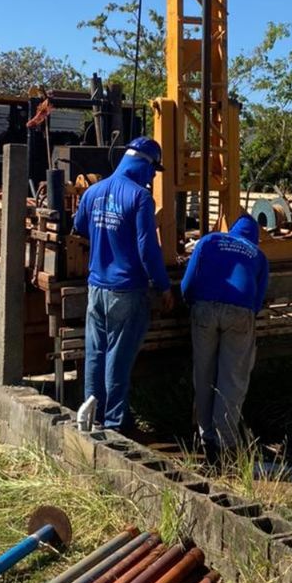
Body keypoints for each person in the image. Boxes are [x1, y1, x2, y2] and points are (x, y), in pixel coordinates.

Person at [73, 137, 174, 432]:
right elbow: (147, 248)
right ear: (142, 164)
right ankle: (116, 424)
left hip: (97, 287)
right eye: (153, 170)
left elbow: (80, 227)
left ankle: (91, 416)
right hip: (126, 291)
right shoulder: (140, 198)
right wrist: (163, 285)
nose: (154, 176)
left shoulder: (93, 192)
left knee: (96, 353)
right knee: (118, 357)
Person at [181, 213, 269, 464]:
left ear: (231, 231)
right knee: (232, 378)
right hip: (240, 313)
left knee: (204, 372)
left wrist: (190, 303)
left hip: (204, 309)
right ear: (255, 237)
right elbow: (258, 300)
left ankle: (205, 437)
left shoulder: (209, 241)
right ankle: (227, 443)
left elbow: (189, 281)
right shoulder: (258, 254)